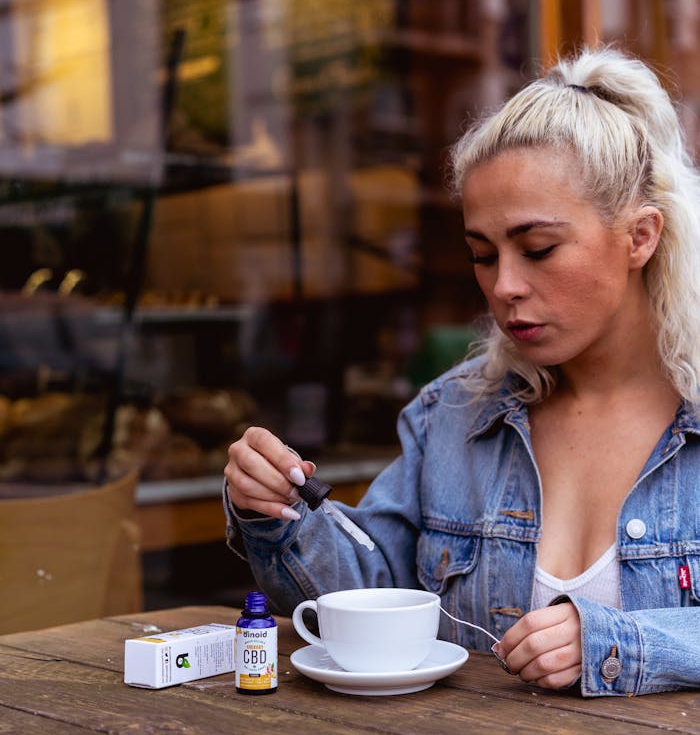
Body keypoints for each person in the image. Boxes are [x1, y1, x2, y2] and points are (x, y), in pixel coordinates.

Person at [224, 46, 700, 697]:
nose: (505, 285)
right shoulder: (452, 415)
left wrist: (624, 645)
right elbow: (368, 596)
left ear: (640, 236)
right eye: (482, 254)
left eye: (538, 249)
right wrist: (274, 510)